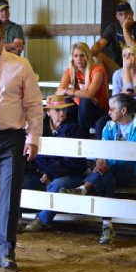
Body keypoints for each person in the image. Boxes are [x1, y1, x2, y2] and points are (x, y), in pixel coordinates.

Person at [0, 17, 43, 270]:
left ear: (2, 38)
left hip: (12, 138)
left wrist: (33, 139)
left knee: (11, 195)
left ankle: (6, 249)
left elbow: (34, 105)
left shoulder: (20, 65)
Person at [60, 94, 136, 244]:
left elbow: (131, 155)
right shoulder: (109, 126)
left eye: (112, 109)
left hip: (132, 172)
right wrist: (100, 160)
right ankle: (107, 226)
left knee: (108, 172)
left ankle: (84, 188)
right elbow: (102, 150)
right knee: (107, 177)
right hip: (111, 172)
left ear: (123, 110)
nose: (108, 112)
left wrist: (106, 162)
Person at [22, 95, 88, 232]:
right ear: (48, 112)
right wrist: (43, 172)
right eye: (57, 110)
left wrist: (50, 173)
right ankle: (16, 219)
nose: (62, 113)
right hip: (44, 173)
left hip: (70, 174)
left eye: (63, 110)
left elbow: (74, 162)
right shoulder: (40, 129)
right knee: (21, 181)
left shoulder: (74, 128)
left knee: (57, 185)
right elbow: (36, 156)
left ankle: (41, 220)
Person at [56, 42, 109, 138]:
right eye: (75, 56)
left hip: (99, 111)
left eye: (82, 55)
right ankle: (71, 133)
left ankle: (82, 135)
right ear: (72, 57)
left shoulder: (97, 71)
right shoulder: (70, 71)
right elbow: (59, 93)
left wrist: (70, 92)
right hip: (81, 110)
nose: (78, 59)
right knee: (67, 101)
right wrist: (78, 94)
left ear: (87, 56)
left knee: (85, 101)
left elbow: (89, 94)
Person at [94, 43, 136, 138]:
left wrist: (127, 68)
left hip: (133, 109)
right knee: (100, 124)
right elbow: (116, 98)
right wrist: (126, 69)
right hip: (120, 109)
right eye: (124, 55)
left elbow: (128, 91)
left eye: (131, 54)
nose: (127, 58)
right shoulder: (117, 74)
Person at [91, 1, 136, 79]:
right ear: (117, 16)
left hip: (134, 68)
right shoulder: (113, 27)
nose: (124, 16)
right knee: (96, 56)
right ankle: (105, 89)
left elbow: (133, 49)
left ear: (132, 13)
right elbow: (99, 43)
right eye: (121, 14)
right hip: (118, 68)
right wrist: (87, 55)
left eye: (127, 13)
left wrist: (125, 28)